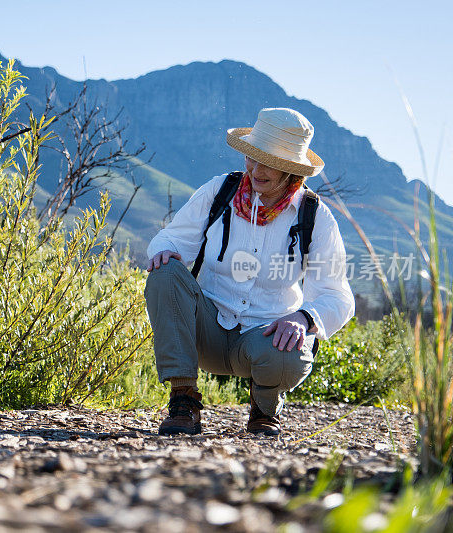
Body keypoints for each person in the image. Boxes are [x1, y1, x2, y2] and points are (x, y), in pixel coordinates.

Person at [145, 107, 355, 436]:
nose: (255, 169)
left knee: (288, 351)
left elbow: (338, 296)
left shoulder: (315, 216)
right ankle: (183, 400)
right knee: (164, 272)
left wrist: (303, 318)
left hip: (266, 339)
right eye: (252, 157)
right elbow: (169, 239)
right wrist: (164, 251)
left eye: (268, 162)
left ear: (291, 171)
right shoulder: (220, 191)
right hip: (207, 332)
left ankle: (264, 407)